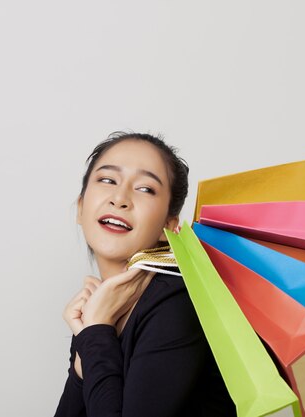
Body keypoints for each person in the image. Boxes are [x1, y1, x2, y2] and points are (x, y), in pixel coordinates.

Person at [53, 132, 235, 417]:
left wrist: (96, 331)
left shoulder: (178, 301)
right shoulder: (102, 307)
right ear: (80, 208)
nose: (120, 198)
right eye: (107, 180)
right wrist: (83, 355)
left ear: (169, 227)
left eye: (146, 188)